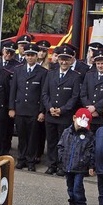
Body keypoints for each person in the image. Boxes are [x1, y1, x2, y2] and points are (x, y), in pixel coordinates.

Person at [42, 45, 81, 176]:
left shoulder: (75, 76)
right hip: (51, 114)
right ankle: (51, 164)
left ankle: (61, 165)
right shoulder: (50, 74)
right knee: (51, 141)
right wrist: (49, 108)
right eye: (62, 59)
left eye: (67, 59)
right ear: (58, 60)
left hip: (64, 115)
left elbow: (74, 97)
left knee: (63, 142)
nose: (64, 62)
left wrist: (62, 110)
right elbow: (45, 94)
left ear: (71, 61)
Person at [9, 43, 47, 171]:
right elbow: (13, 90)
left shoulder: (42, 72)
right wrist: (11, 108)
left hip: (34, 110)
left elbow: (43, 93)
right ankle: (21, 159)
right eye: (28, 55)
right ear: (24, 56)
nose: (30, 58)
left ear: (37, 57)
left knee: (32, 137)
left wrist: (42, 111)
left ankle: (31, 161)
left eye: (32, 55)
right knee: (21, 136)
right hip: (20, 109)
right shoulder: (18, 70)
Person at [58, 108, 95, 205]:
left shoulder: (88, 135)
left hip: (80, 167)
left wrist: (90, 165)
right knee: (70, 187)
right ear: (74, 118)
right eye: (80, 124)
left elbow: (91, 151)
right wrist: (62, 158)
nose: (81, 127)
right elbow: (61, 146)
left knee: (77, 188)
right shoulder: (66, 132)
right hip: (68, 166)